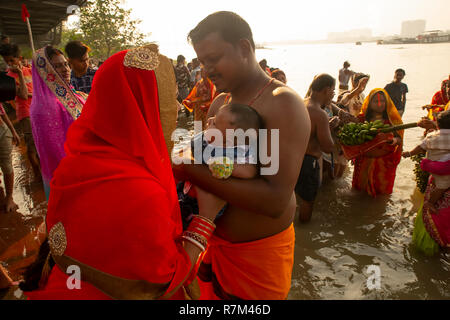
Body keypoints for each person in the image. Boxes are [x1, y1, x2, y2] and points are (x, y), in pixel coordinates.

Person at [24, 44, 221, 300]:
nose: (171, 107)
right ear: (145, 105)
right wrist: (206, 219)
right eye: (162, 98)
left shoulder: (73, 166)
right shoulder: (142, 191)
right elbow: (161, 282)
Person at [174, 11, 311, 300]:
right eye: (201, 61)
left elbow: (274, 201)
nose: (206, 69)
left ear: (245, 48)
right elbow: (198, 157)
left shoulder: (282, 103)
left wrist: (186, 168)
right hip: (211, 245)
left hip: (257, 259)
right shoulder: (219, 104)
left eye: (213, 59)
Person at [178, 103, 262, 228]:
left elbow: (250, 171)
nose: (210, 119)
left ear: (226, 141)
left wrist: (228, 167)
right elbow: (186, 150)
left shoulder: (239, 152)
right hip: (186, 189)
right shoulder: (204, 139)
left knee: (187, 224)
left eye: (215, 123)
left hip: (205, 203)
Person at [30, 46, 86, 200]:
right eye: (57, 66)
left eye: (65, 64)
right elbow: (56, 152)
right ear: (44, 71)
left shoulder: (73, 93)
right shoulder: (44, 106)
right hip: (71, 177)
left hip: (87, 166)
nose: (66, 69)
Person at [296, 74, 337, 223]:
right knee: (307, 201)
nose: (333, 95)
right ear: (326, 90)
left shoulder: (300, 103)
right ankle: (304, 229)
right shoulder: (320, 114)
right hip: (308, 162)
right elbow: (327, 147)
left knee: (293, 199)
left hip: (293, 158)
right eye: (333, 91)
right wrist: (331, 129)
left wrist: (327, 126)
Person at [0, 43, 41, 179]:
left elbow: (38, 88)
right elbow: (23, 95)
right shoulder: (9, 78)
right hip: (26, 113)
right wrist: (20, 75)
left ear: (19, 58)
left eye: (12, 60)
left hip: (39, 110)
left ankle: (43, 171)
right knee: (31, 146)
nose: (10, 64)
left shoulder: (30, 70)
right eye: (7, 62)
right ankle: (37, 174)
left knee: (41, 142)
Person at [352, 89, 403, 197]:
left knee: (381, 196)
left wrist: (394, 141)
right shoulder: (362, 119)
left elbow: (399, 138)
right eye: (376, 101)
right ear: (369, 103)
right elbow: (354, 137)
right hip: (363, 160)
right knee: (359, 193)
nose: (380, 104)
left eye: (383, 101)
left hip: (384, 163)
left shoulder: (392, 120)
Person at [402, 110, 450, 212]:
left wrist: (409, 153)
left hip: (432, 165)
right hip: (443, 168)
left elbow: (420, 147)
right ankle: (430, 202)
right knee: (443, 186)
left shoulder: (431, 136)